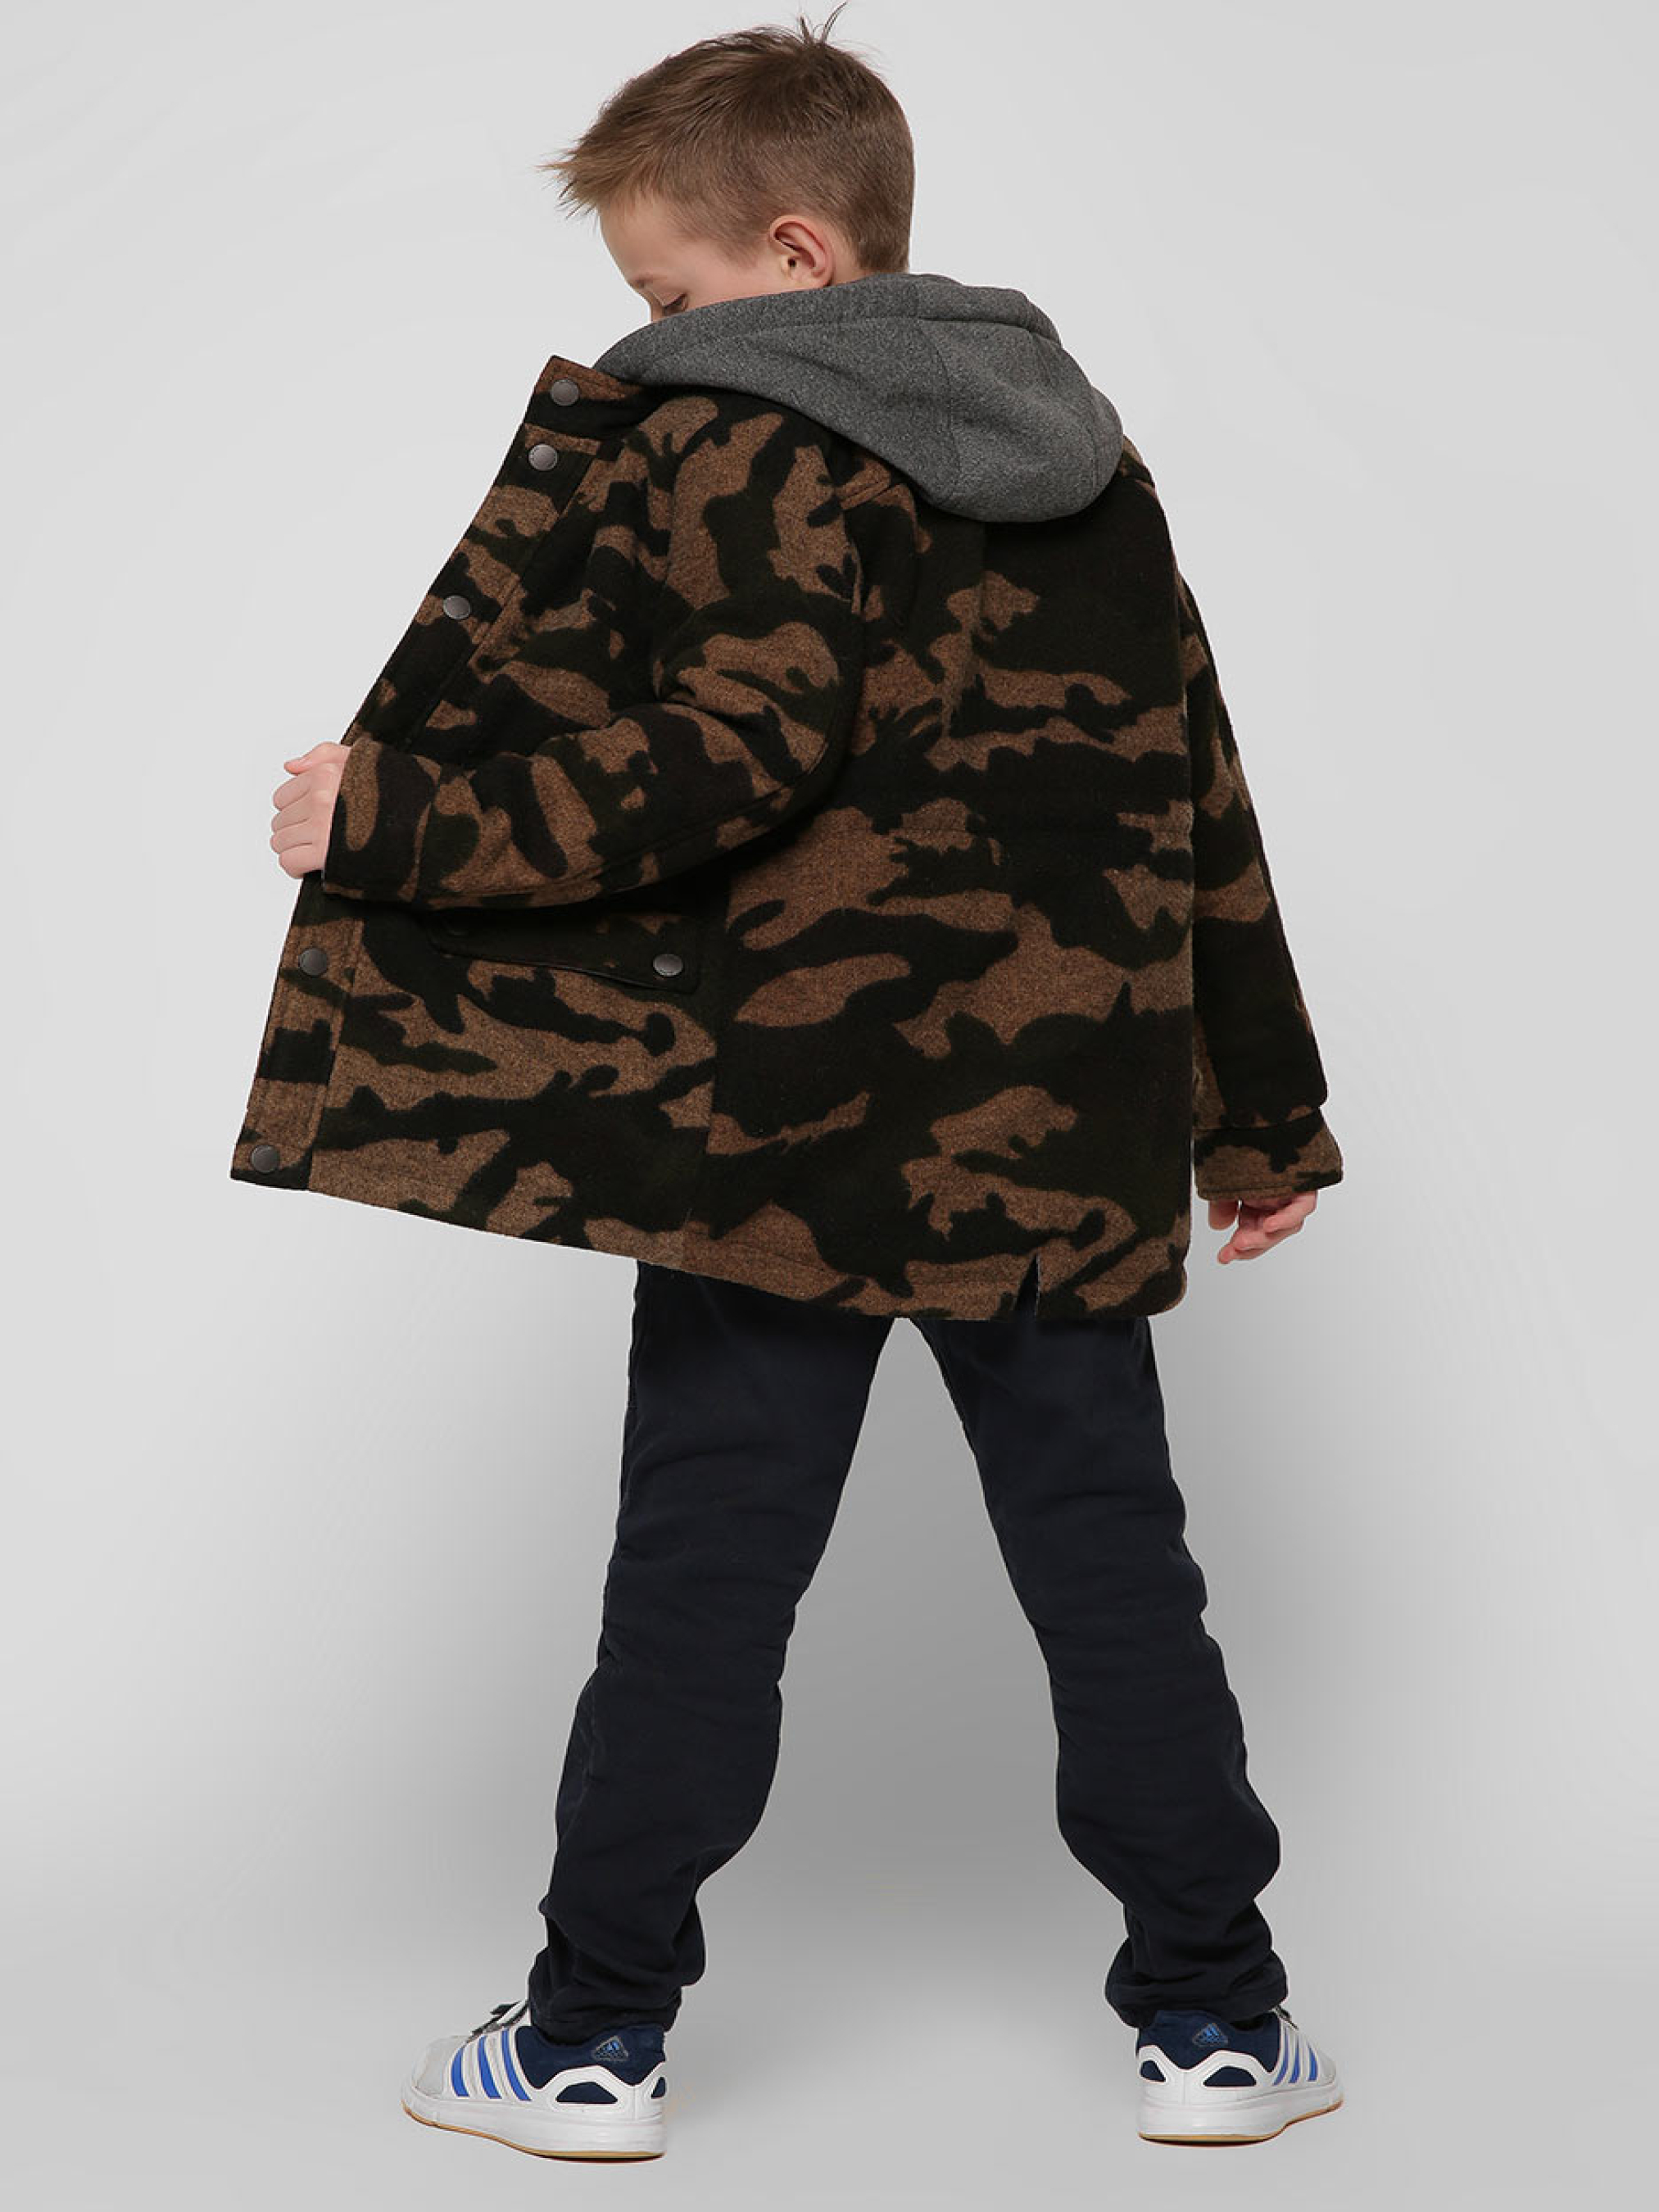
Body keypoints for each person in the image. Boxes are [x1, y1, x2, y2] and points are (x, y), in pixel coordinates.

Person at [244, 9, 1346, 2160]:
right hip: (1061, 1144)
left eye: (665, 296)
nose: (650, 342)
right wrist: (1259, 1116)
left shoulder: (741, 446)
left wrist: (391, 817)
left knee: (699, 1584)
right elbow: (1192, 798)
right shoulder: (1093, 467)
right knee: (1116, 1577)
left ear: (794, 257)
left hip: (785, 1142)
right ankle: (1219, 2025)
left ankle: (589, 2044)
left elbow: (719, 760)